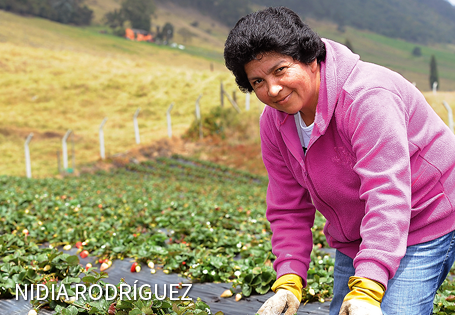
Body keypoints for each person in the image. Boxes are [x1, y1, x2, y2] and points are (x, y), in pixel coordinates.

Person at [224, 6, 455, 315]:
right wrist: (289, 279)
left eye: (280, 70)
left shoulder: (367, 97)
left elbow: (386, 194)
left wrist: (369, 287)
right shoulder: (274, 122)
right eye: (257, 82)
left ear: (308, 57)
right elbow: (288, 206)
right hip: (357, 232)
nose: (273, 89)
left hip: (425, 217)